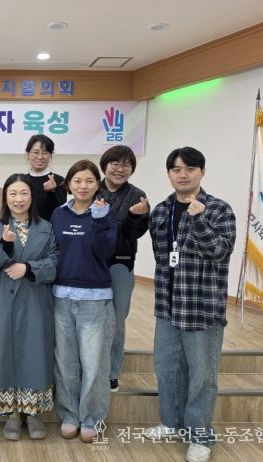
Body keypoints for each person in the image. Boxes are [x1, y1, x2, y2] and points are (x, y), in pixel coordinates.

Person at [144, 147, 236, 462]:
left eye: (190, 169)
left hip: (202, 308)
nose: (182, 175)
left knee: (202, 376)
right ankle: (171, 422)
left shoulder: (219, 209)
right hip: (168, 305)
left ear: (202, 172)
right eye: (176, 169)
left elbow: (220, 251)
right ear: (169, 174)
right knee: (166, 368)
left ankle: (200, 436)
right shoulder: (160, 211)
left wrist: (198, 221)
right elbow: (162, 256)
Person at [50, 160, 117, 443]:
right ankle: (69, 414)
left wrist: (99, 221)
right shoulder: (58, 214)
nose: (83, 186)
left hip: (94, 299)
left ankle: (91, 417)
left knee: (94, 363)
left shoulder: (104, 213)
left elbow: (106, 252)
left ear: (97, 184)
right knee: (65, 361)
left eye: (89, 181)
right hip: (62, 297)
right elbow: (53, 251)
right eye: (77, 180)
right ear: (68, 184)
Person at [0, 174, 58, 440]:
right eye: (13, 194)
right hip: (4, 299)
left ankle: (34, 412)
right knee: (5, 351)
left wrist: (28, 268)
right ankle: (12, 414)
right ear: (5, 198)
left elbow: (55, 261)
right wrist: (6, 247)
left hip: (35, 298)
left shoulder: (46, 227)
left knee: (36, 352)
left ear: (32, 197)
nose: (18, 199)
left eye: (24, 193)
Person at [98, 145, 149, 392]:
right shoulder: (91, 189)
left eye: (126, 164)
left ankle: (112, 372)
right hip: (91, 265)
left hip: (121, 263)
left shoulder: (137, 195)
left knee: (117, 322)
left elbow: (136, 233)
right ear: (105, 166)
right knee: (89, 321)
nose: (120, 169)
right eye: (115, 163)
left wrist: (134, 217)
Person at [24, 134, 67, 221]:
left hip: (51, 228)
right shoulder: (22, 181)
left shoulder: (59, 180)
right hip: (25, 228)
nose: (40, 157)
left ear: (50, 155)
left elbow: (62, 213)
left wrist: (52, 192)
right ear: (28, 154)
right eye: (36, 152)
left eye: (45, 153)